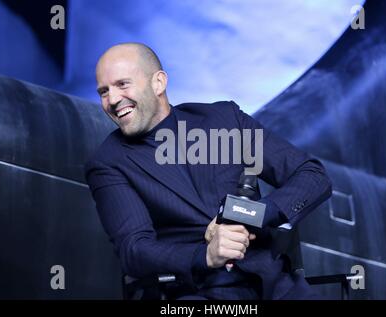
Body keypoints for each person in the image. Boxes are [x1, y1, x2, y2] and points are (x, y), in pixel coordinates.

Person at [85, 42, 332, 300]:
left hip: (274, 286)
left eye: (123, 84)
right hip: (196, 292)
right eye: (104, 91)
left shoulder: (224, 119)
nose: (112, 100)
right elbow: (134, 250)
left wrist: (250, 216)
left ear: (158, 83)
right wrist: (206, 255)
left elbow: (313, 176)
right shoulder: (108, 162)